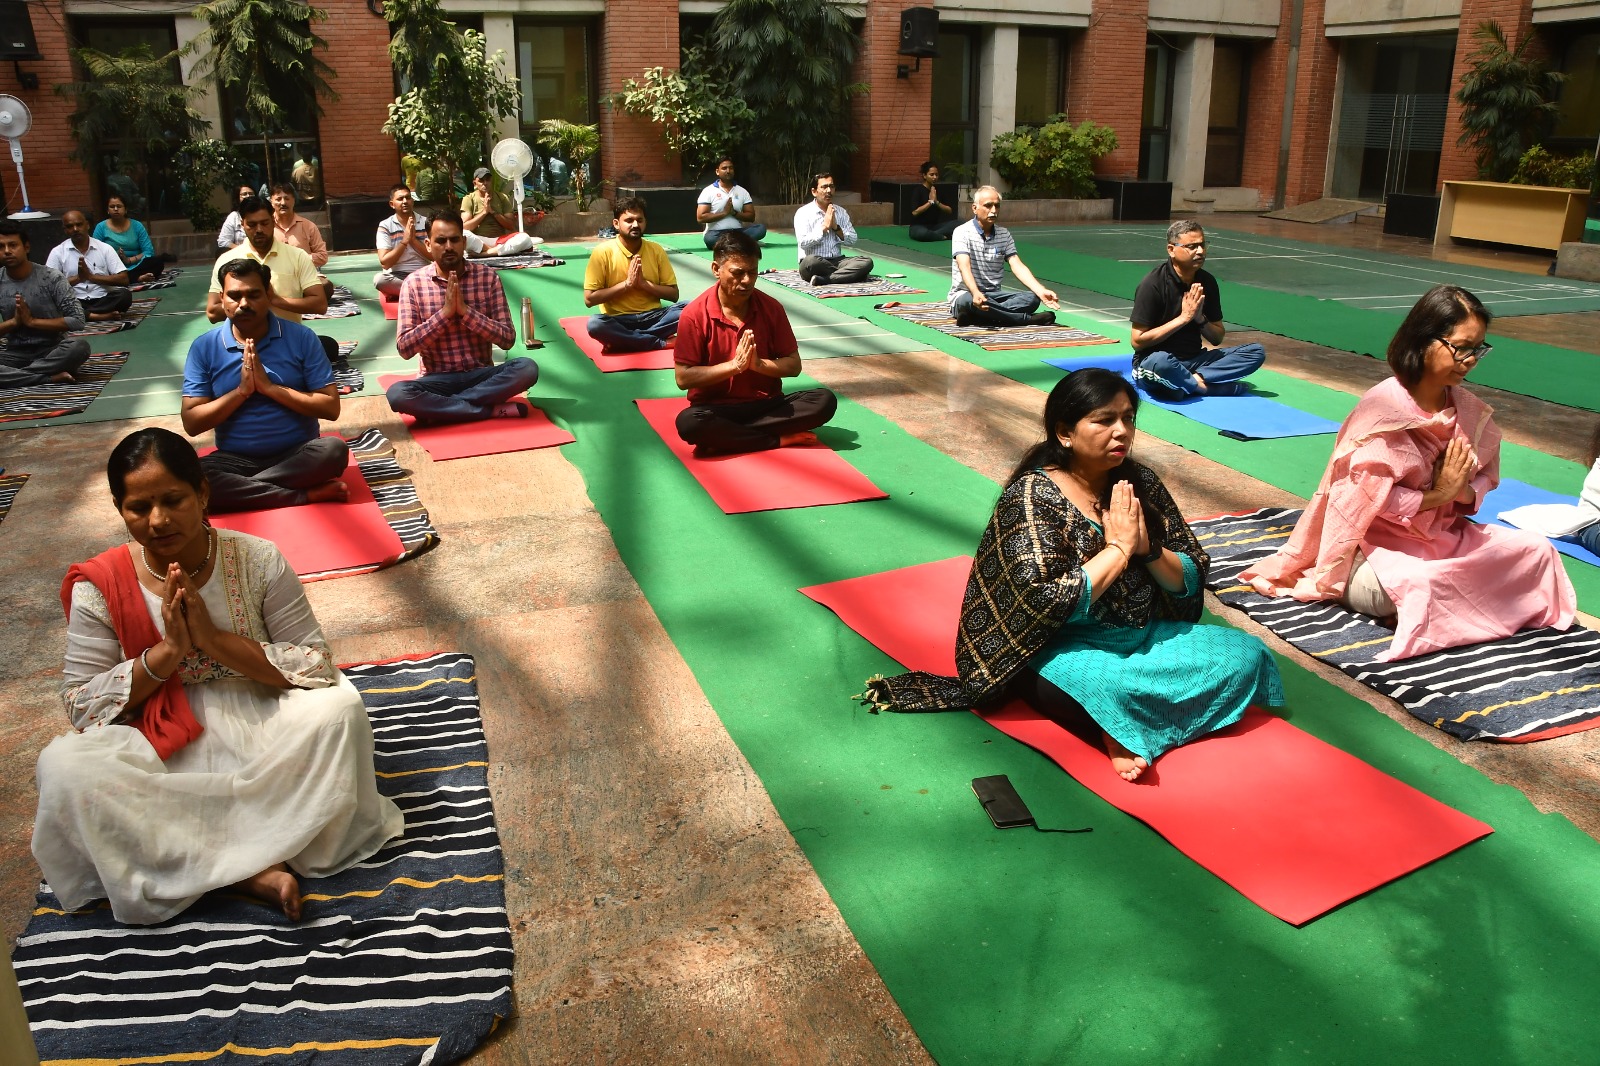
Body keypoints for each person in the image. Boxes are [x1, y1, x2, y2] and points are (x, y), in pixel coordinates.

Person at [34, 427, 403, 925]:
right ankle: (250, 871)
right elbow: (82, 705)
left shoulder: (257, 559)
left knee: (338, 710)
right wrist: (167, 653)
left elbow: (315, 662)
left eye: (173, 500)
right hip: (155, 732)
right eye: (139, 508)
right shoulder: (100, 585)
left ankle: (201, 862)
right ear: (120, 509)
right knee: (64, 767)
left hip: (261, 714)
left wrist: (211, 639)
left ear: (203, 493)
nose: (158, 520)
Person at [860, 368, 1283, 781]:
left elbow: (1187, 578)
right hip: (1062, 647)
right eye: (1104, 420)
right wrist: (1118, 549)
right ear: (1065, 432)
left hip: (1144, 635)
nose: (1122, 432)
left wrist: (1148, 549)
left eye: (1128, 419)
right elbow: (1043, 600)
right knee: (1107, 686)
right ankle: (1116, 722)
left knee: (1244, 652)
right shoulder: (1031, 497)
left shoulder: (1140, 482)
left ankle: (1122, 720)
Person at [1241, 285, 1576, 661]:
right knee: (1420, 583)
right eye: (1461, 347)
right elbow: (1362, 502)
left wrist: (1459, 491)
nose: (1470, 360)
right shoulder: (1382, 410)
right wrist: (1439, 495)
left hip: (1442, 538)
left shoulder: (1468, 410)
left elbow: (1483, 481)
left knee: (1536, 550)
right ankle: (1436, 604)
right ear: (1423, 340)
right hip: (1371, 548)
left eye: (1478, 348)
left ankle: (1445, 608)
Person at [183, 258, 349, 512]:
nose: (244, 304)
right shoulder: (204, 347)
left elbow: (330, 407)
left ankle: (246, 492)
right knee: (192, 477)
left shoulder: (302, 338)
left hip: (297, 454)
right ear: (222, 299)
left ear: (268, 295)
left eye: (253, 295)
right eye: (234, 296)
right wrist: (241, 392)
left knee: (334, 451)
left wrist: (270, 388)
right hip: (234, 459)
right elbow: (192, 423)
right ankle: (301, 495)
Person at [673, 230, 838, 457]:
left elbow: (793, 366)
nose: (747, 280)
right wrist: (734, 366)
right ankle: (774, 439)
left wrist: (758, 365)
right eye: (738, 273)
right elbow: (683, 378)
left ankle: (728, 438)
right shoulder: (694, 314)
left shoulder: (771, 308)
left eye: (752, 272)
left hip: (765, 405)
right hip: (716, 409)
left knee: (824, 400)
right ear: (716, 270)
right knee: (689, 423)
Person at [387, 214, 537, 424]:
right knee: (397, 394)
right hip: (436, 380)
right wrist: (444, 315)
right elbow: (405, 348)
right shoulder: (413, 284)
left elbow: (507, 339)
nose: (448, 247)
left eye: (454, 240)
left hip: (481, 376)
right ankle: (487, 411)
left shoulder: (487, 277)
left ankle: (444, 409)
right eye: (441, 241)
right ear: (428, 245)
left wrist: (467, 313)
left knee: (527, 368)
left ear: (464, 242)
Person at [1129, 220, 1265, 400]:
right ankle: (1204, 388)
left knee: (1256, 352)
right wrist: (1184, 318)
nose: (1200, 251)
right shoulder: (1152, 284)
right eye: (1191, 247)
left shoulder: (1207, 282)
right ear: (1171, 250)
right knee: (1161, 362)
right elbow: (1137, 342)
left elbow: (1217, 338)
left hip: (1195, 361)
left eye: (1202, 245)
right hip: (1154, 363)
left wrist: (1200, 318)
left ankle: (1189, 383)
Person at [583, 197, 685, 353]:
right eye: (629, 220)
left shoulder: (656, 250)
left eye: (640, 220)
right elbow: (589, 299)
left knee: (691, 308)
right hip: (618, 320)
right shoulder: (602, 252)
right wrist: (627, 284)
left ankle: (625, 340)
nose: (636, 225)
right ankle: (658, 342)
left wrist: (644, 284)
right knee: (595, 324)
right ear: (616, 224)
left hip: (654, 317)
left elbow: (673, 295)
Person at [950, 186, 1060, 329]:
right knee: (968, 300)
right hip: (966, 295)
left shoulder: (1004, 234)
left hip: (994, 296)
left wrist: (1041, 290)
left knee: (1032, 298)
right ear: (974, 208)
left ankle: (980, 317)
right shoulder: (961, 232)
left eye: (997, 206)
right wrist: (976, 292)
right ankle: (1026, 319)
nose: (994, 210)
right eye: (988, 205)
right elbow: (964, 266)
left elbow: (1017, 265)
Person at [0, 220, 91, 388]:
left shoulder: (51, 277)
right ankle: (47, 378)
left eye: (12, 245)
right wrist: (14, 322)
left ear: (26, 247)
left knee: (79, 347)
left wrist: (32, 322)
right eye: (1, 247)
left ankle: (18, 376)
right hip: (14, 353)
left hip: (52, 350)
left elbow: (78, 320)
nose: (6, 251)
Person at [47, 209, 132, 321]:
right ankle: (96, 316)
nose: (75, 229)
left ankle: (82, 315)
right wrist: (78, 278)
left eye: (79, 224)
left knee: (124, 295)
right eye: (70, 226)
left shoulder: (104, 248)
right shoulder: (57, 252)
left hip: (103, 298)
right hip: (75, 299)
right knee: (52, 302)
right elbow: (49, 287)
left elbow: (124, 279)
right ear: (65, 230)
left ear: (87, 225)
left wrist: (91, 277)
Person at [793, 173, 874, 285]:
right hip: (815, 262)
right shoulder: (803, 213)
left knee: (866, 262)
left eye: (831, 186)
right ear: (814, 191)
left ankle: (826, 279)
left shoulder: (841, 212)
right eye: (824, 187)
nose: (829, 191)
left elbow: (853, 240)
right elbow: (803, 243)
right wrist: (824, 228)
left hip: (838, 261)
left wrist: (836, 228)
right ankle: (849, 275)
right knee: (810, 262)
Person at [92, 194, 171, 283]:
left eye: (119, 206)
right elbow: (96, 253)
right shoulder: (101, 227)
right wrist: (115, 257)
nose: (116, 209)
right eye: (112, 207)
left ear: (125, 210)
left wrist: (128, 260)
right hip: (113, 268)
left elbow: (148, 251)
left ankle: (127, 279)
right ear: (107, 210)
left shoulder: (137, 226)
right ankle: (136, 278)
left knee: (157, 263)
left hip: (136, 265)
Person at [696, 157, 767, 250]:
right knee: (710, 239)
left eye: (731, 168)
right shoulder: (708, 191)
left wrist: (734, 213)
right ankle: (746, 243)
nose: (728, 171)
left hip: (738, 232)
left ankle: (732, 244)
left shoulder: (742, 191)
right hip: (716, 233)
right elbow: (700, 217)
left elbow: (751, 217)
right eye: (724, 168)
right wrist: (724, 213)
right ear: (717, 171)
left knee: (761, 229)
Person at [374, 183, 431, 297]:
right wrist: (404, 241)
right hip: (397, 276)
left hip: (423, 273)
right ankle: (421, 291)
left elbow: (434, 256)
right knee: (379, 280)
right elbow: (385, 263)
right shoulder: (385, 226)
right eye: (400, 199)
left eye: (408, 198)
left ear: (412, 201)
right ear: (392, 204)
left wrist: (413, 240)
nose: (405, 201)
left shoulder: (426, 222)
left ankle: (408, 292)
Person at [908, 161, 959, 242]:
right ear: (924, 175)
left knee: (960, 223)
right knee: (922, 233)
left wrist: (936, 202)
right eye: (931, 175)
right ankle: (942, 236)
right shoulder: (918, 190)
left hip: (935, 226)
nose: (935, 177)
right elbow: (915, 212)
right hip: (918, 226)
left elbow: (949, 210)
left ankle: (933, 235)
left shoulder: (939, 190)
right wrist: (930, 202)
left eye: (936, 175)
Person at [215, 184, 257, 251]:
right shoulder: (234, 217)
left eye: (251, 194)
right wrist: (243, 250)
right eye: (244, 194)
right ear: (238, 198)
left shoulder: (262, 214)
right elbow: (223, 242)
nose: (248, 196)